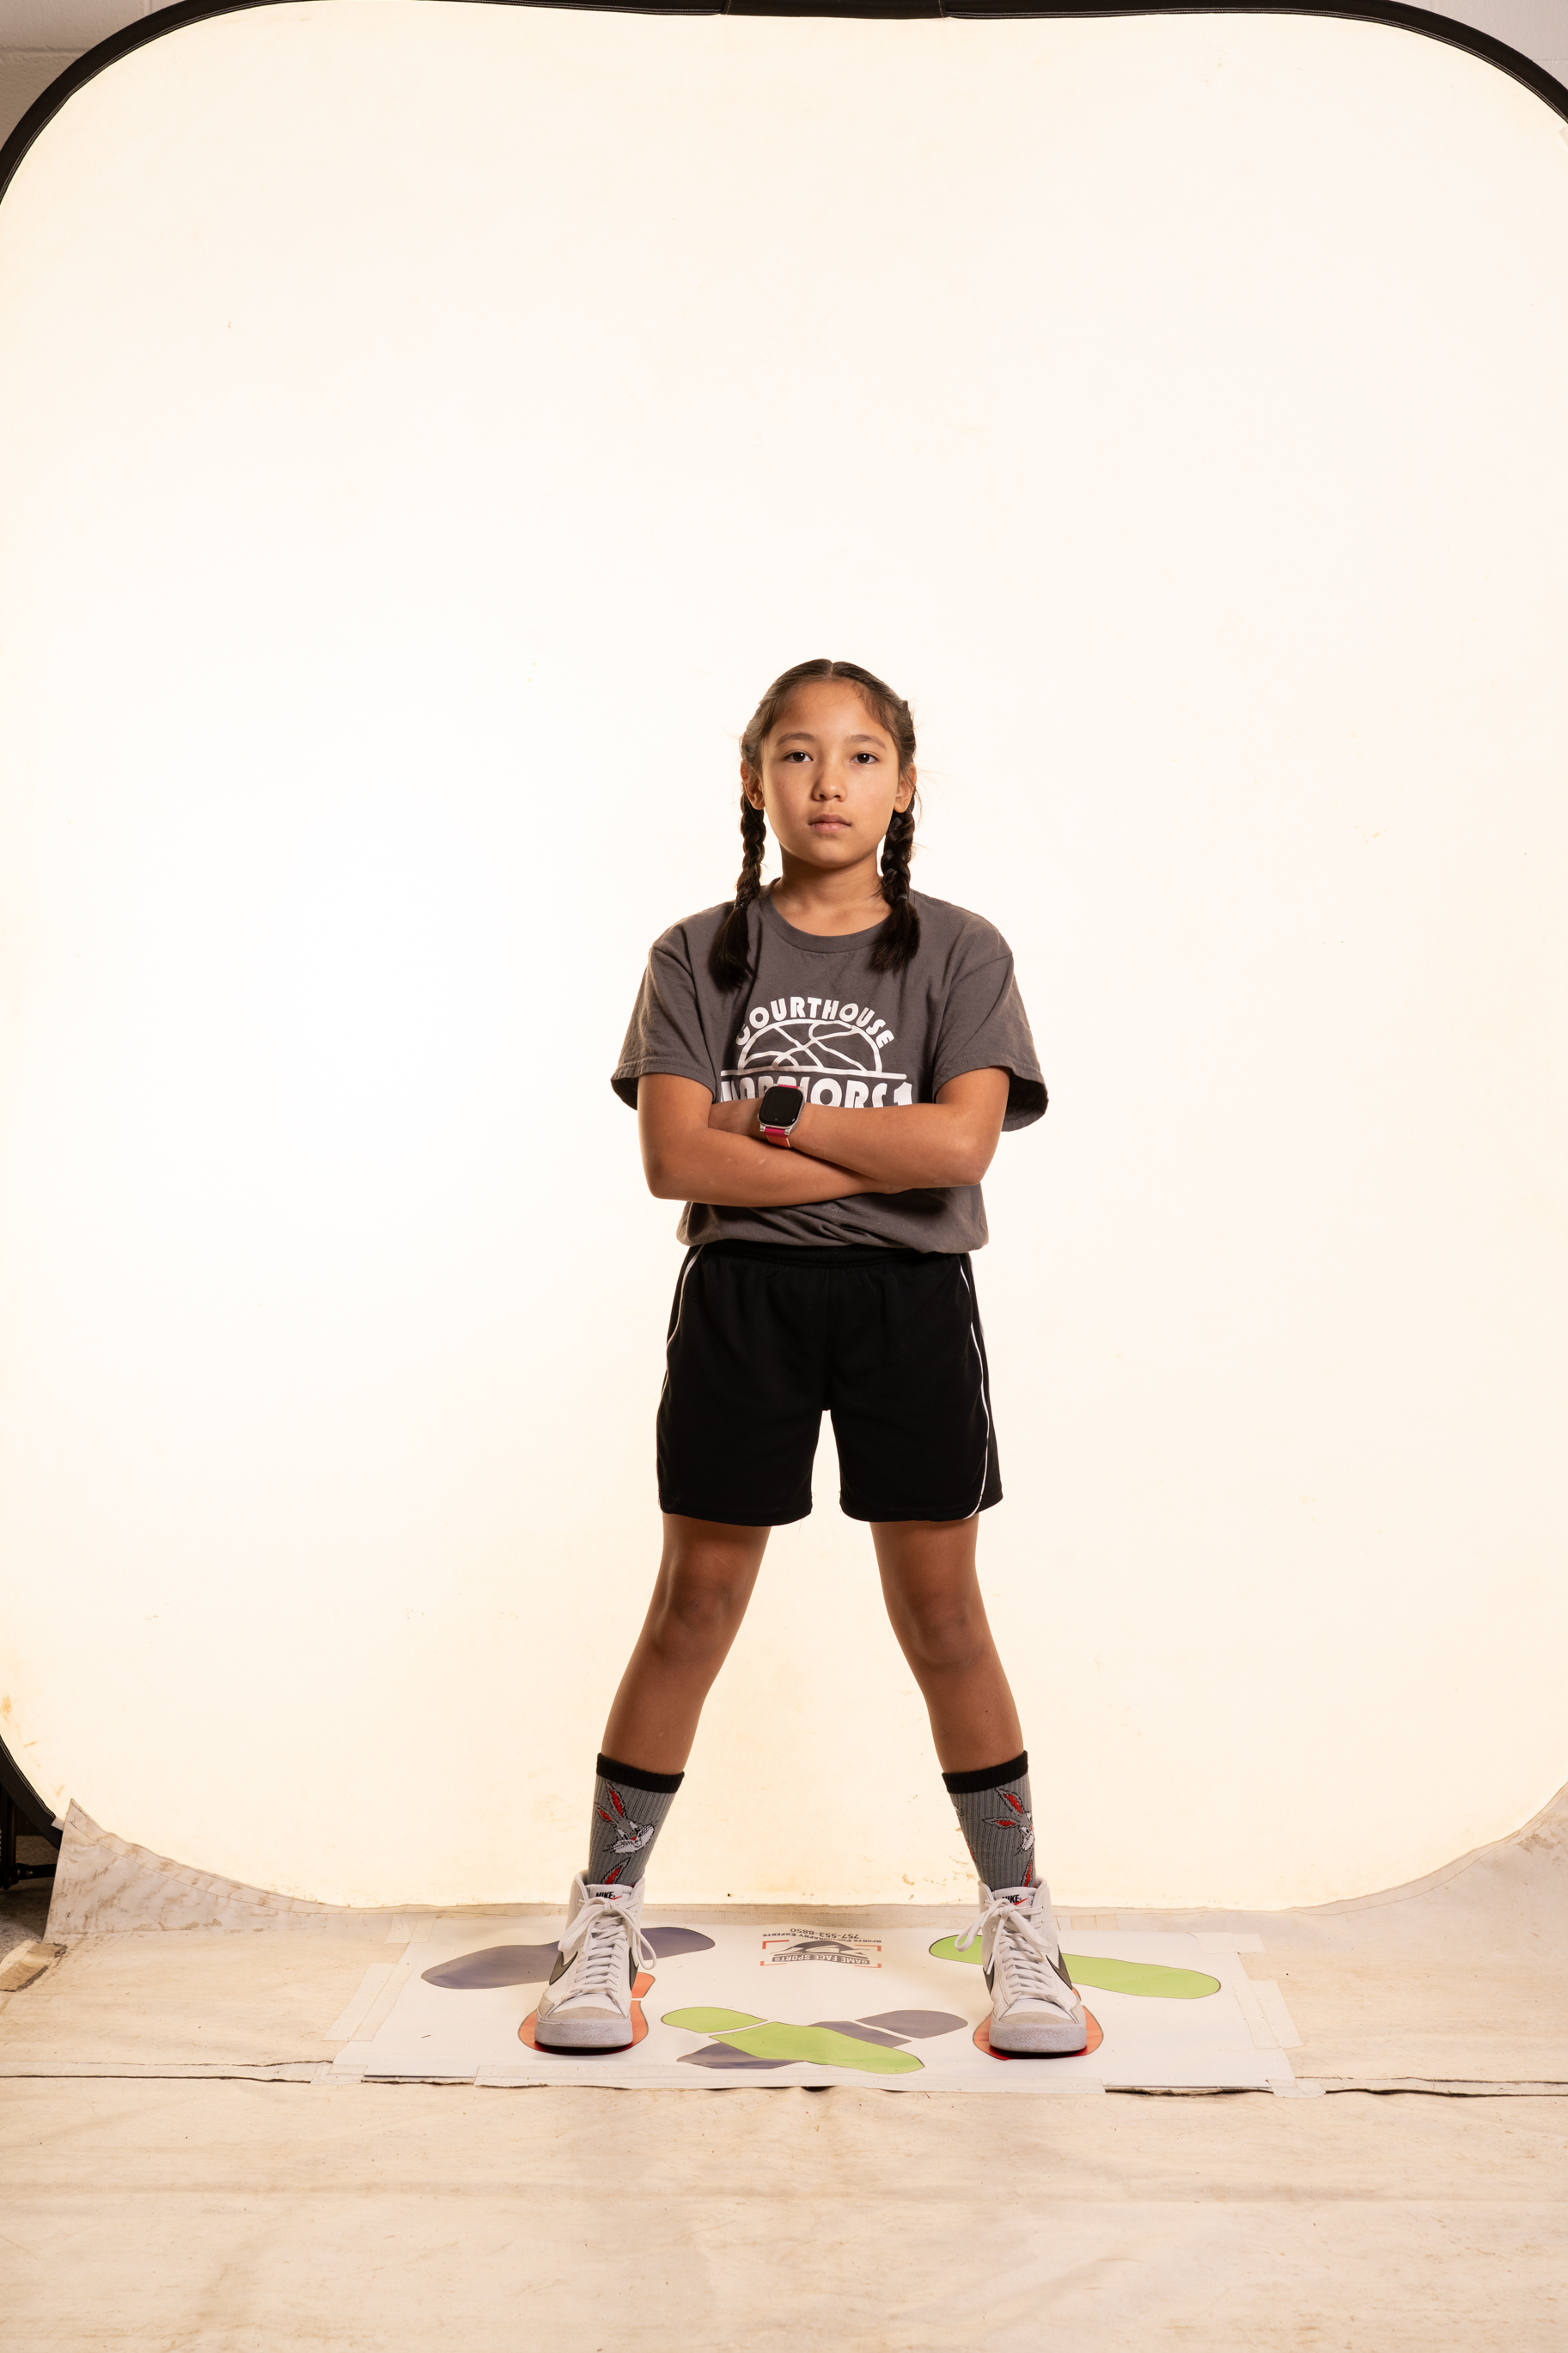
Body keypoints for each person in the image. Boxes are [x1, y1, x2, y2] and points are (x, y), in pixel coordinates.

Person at [534, 657, 1087, 2058]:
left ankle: (1019, 1922)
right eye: (795, 752)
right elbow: (675, 1158)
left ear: (903, 784)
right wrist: (874, 1151)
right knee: (693, 1602)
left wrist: (767, 1114)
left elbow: (958, 1147)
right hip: (744, 1300)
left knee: (943, 1616)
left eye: (858, 755)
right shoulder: (694, 953)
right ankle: (604, 1916)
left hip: (911, 1304)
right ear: (752, 778)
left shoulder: (959, 950)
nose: (827, 780)